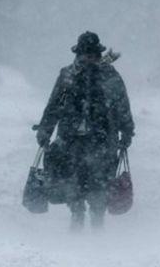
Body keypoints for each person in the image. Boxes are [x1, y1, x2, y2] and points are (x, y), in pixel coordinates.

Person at [35, 31, 134, 231]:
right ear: (78, 54)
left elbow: (121, 105)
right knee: (74, 182)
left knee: (100, 183)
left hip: (102, 140)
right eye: (84, 54)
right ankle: (77, 215)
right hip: (72, 141)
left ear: (98, 54)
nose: (88, 58)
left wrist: (127, 131)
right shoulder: (68, 77)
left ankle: (97, 220)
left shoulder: (109, 76)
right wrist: (45, 129)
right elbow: (56, 105)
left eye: (91, 54)